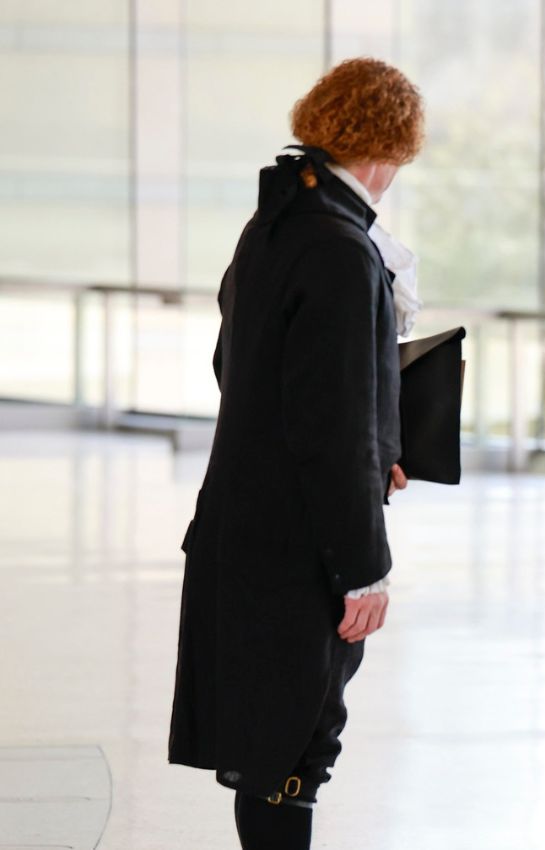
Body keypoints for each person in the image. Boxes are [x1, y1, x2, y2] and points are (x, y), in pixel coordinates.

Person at [168, 58, 424, 850]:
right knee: (294, 754)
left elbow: (238, 368)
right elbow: (332, 430)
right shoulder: (344, 250)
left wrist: (377, 443)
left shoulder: (273, 225)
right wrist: (364, 568)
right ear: (388, 149)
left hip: (243, 528)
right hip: (300, 547)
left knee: (264, 754)